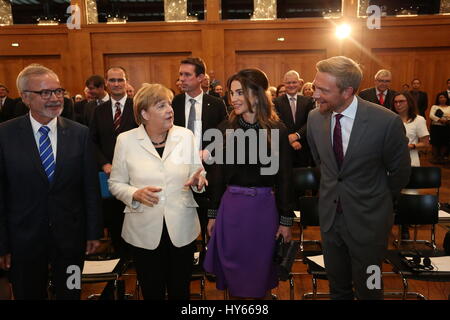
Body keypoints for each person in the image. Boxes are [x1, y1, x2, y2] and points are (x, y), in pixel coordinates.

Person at [308, 56, 411, 300]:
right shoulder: (314, 118)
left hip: (370, 224)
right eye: (315, 86)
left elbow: (400, 173)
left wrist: (375, 201)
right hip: (331, 221)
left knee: (371, 289)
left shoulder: (386, 122)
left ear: (347, 92)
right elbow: (321, 164)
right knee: (338, 288)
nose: (315, 95)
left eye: (323, 90)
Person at [0, 64, 102, 299]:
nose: (55, 98)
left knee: (71, 292)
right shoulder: (5, 135)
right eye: (45, 93)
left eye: (58, 91)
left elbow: (90, 188)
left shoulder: (80, 134)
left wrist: (93, 232)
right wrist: (2, 244)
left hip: (71, 240)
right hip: (23, 241)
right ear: (25, 97)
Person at [108, 83, 207, 300]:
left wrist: (200, 180)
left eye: (169, 104)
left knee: (180, 290)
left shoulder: (185, 136)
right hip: (143, 228)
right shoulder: (126, 141)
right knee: (152, 290)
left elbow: (198, 172)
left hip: (181, 227)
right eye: (161, 106)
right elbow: (115, 183)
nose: (170, 110)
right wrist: (134, 193)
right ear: (144, 113)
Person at [204, 68, 294, 299]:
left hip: (264, 209)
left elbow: (284, 178)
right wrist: (213, 214)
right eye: (231, 93)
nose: (232, 98)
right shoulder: (225, 129)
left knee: (259, 271)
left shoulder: (277, 130)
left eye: (239, 92)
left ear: (256, 94)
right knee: (234, 272)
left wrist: (286, 220)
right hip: (231, 209)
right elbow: (217, 177)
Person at [172, 57, 228, 246]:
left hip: (210, 168)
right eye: (180, 74)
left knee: (209, 218)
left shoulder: (216, 103)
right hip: (179, 169)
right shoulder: (174, 103)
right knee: (183, 218)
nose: (182, 79)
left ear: (201, 77)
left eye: (187, 75)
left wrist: (209, 151)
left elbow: (225, 134)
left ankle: (209, 257)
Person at [89, 66, 138, 258]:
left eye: (120, 80)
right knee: (114, 217)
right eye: (112, 80)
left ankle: (136, 256)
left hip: (135, 174)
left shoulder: (136, 107)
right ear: (107, 84)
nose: (116, 84)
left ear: (126, 82)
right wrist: (104, 164)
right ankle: (120, 256)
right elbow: (92, 141)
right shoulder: (98, 111)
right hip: (108, 174)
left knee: (134, 215)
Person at [392, 91, 430, 240]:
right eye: (395, 102)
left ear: (409, 103)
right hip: (391, 163)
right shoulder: (390, 118)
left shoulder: (418, 120)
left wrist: (411, 146)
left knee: (408, 197)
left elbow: (426, 144)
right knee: (391, 196)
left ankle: (405, 228)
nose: (398, 104)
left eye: (401, 101)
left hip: (411, 161)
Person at [274, 70, 315, 167]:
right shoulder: (276, 102)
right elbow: (276, 123)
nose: (291, 85)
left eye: (294, 82)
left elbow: (310, 122)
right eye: (288, 82)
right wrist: (290, 139)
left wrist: (297, 135)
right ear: (284, 83)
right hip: (284, 148)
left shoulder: (308, 101)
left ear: (300, 83)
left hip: (303, 148)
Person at [429, 93, 450, 164]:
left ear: (446, 98)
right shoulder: (434, 106)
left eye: (444, 97)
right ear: (438, 99)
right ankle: (435, 157)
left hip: (446, 127)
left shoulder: (449, 107)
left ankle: (441, 157)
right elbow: (431, 115)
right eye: (440, 97)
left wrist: (447, 120)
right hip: (436, 127)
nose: (442, 99)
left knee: (445, 142)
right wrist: (440, 120)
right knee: (435, 142)